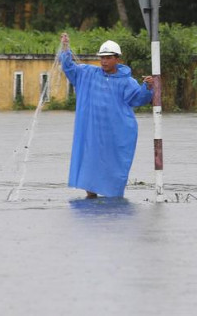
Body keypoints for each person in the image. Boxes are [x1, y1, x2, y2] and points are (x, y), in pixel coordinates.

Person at [59, 33, 153, 198]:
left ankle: (114, 202)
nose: (104, 61)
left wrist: (148, 87)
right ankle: (91, 199)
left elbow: (139, 98)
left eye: (108, 58)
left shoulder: (126, 81)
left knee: (114, 164)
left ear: (117, 59)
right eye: (102, 57)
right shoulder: (87, 74)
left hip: (116, 132)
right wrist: (66, 47)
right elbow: (68, 67)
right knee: (90, 162)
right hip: (92, 132)